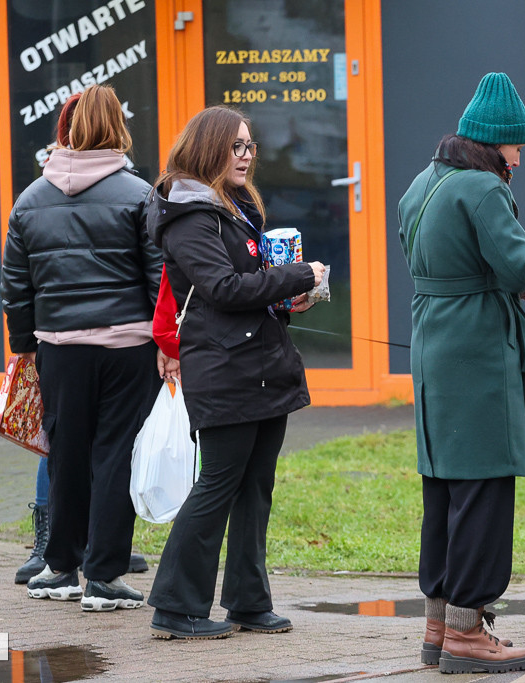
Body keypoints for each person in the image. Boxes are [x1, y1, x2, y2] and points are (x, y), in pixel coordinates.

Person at [397, 72, 525, 675]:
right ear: (497, 144)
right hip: (477, 351)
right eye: (517, 146)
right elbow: (523, 267)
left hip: (433, 342)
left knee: (444, 488)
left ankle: (440, 626)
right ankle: (469, 636)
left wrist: (499, 276)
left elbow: (451, 261)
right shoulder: (483, 188)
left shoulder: (422, 182)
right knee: (485, 489)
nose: (520, 156)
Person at [144, 105, 325, 640]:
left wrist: (290, 298)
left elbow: (247, 286)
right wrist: (294, 277)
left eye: (250, 146)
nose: (246, 156)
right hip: (224, 369)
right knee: (219, 484)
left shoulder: (235, 209)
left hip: (261, 364)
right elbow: (222, 289)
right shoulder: (191, 216)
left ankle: (248, 601)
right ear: (209, 149)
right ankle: (175, 607)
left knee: (255, 487)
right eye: (236, 146)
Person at [0, 84, 162, 612]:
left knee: (67, 451)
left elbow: (15, 287)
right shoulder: (139, 195)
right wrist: (168, 343)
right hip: (127, 347)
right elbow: (160, 277)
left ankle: (59, 567)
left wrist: (25, 348)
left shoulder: (29, 199)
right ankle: (106, 575)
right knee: (116, 452)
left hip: (59, 350)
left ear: (65, 131)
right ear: (118, 127)